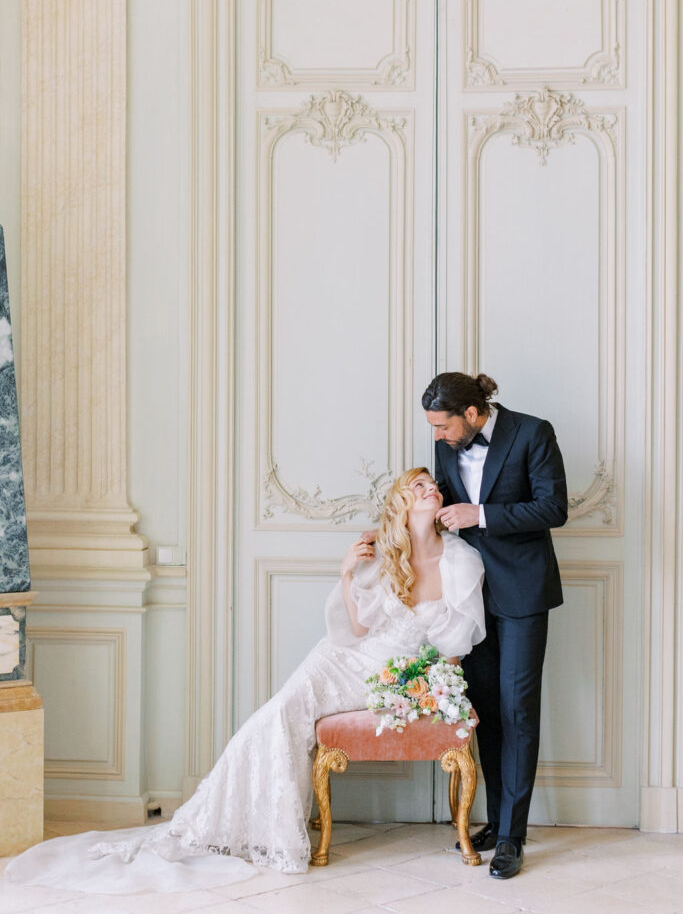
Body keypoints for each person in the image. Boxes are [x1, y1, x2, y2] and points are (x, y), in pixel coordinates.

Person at [5, 468, 485, 895]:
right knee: (277, 716)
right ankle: (229, 825)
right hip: (342, 661)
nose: (430, 490)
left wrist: (423, 686)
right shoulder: (385, 555)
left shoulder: (460, 562)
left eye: (432, 485)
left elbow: (454, 647)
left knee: (282, 718)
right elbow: (357, 631)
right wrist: (346, 573)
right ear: (401, 505)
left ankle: (259, 828)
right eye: (417, 486)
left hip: (392, 678)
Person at [422, 372, 567, 880]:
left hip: (524, 593)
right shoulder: (446, 442)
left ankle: (513, 837)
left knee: (519, 708)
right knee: (487, 710)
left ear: (473, 414)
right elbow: (443, 498)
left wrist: (479, 514)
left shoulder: (533, 432)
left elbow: (554, 508)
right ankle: (501, 818)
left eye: (443, 427)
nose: (437, 436)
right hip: (469, 597)